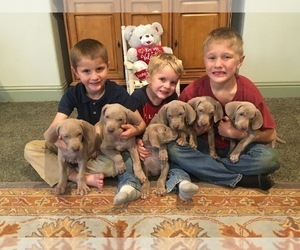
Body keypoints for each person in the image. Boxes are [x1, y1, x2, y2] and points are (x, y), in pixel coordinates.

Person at [24, 38, 146, 205]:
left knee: (122, 161)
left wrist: (134, 131)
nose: (94, 76)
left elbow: (141, 123)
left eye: (100, 69)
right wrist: (64, 146)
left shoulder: (118, 93)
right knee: (32, 148)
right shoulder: (73, 93)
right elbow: (53, 130)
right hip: (78, 146)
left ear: (108, 66)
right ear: (76, 72)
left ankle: (71, 171)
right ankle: (77, 176)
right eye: (86, 71)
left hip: (105, 150)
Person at [167, 27, 280, 191]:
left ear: (240, 61)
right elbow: (175, 125)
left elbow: (271, 134)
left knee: (270, 159)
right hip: (202, 146)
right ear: (204, 60)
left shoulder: (248, 91)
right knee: (173, 149)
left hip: (239, 149)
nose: (218, 64)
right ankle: (240, 178)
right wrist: (196, 131)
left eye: (226, 57)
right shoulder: (193, 90)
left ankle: (205, 169)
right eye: (211, 58)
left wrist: (236, 134)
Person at [132, 53, 199, 201]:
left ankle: (181, 182)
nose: (167, 86)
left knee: (176, 155)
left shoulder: (172, 100)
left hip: (166, 145)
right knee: (130, 156)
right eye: (162, 79)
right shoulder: (137, 98)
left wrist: (182, 136)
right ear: (148, 78)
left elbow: (178, 127)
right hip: (146, 143)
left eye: (173, 82)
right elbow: (131, 127)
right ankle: (139, 184)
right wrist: (137, 143)